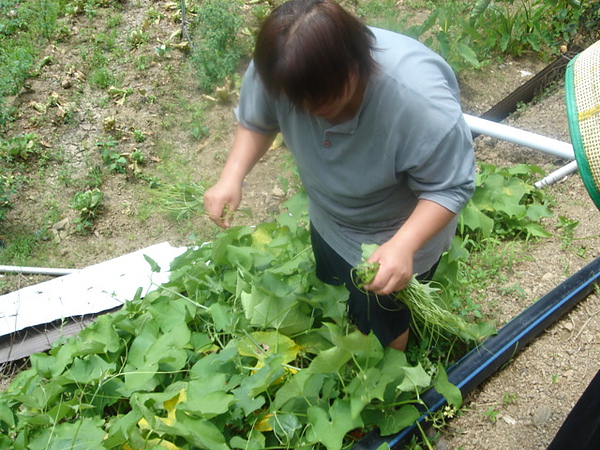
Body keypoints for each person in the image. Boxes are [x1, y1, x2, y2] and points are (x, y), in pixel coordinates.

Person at [203, 0, 475, 351]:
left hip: (392, 231)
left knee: (383, 326)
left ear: (354, 64)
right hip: (328, 214)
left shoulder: (420, 103)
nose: (310, 113)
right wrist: (232, 176)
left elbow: (450, 187)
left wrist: (404, 245)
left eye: (323, 101)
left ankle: (387, 382)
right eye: (297, 103)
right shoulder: (282, 67)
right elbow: (258, 118)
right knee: (336, 288)